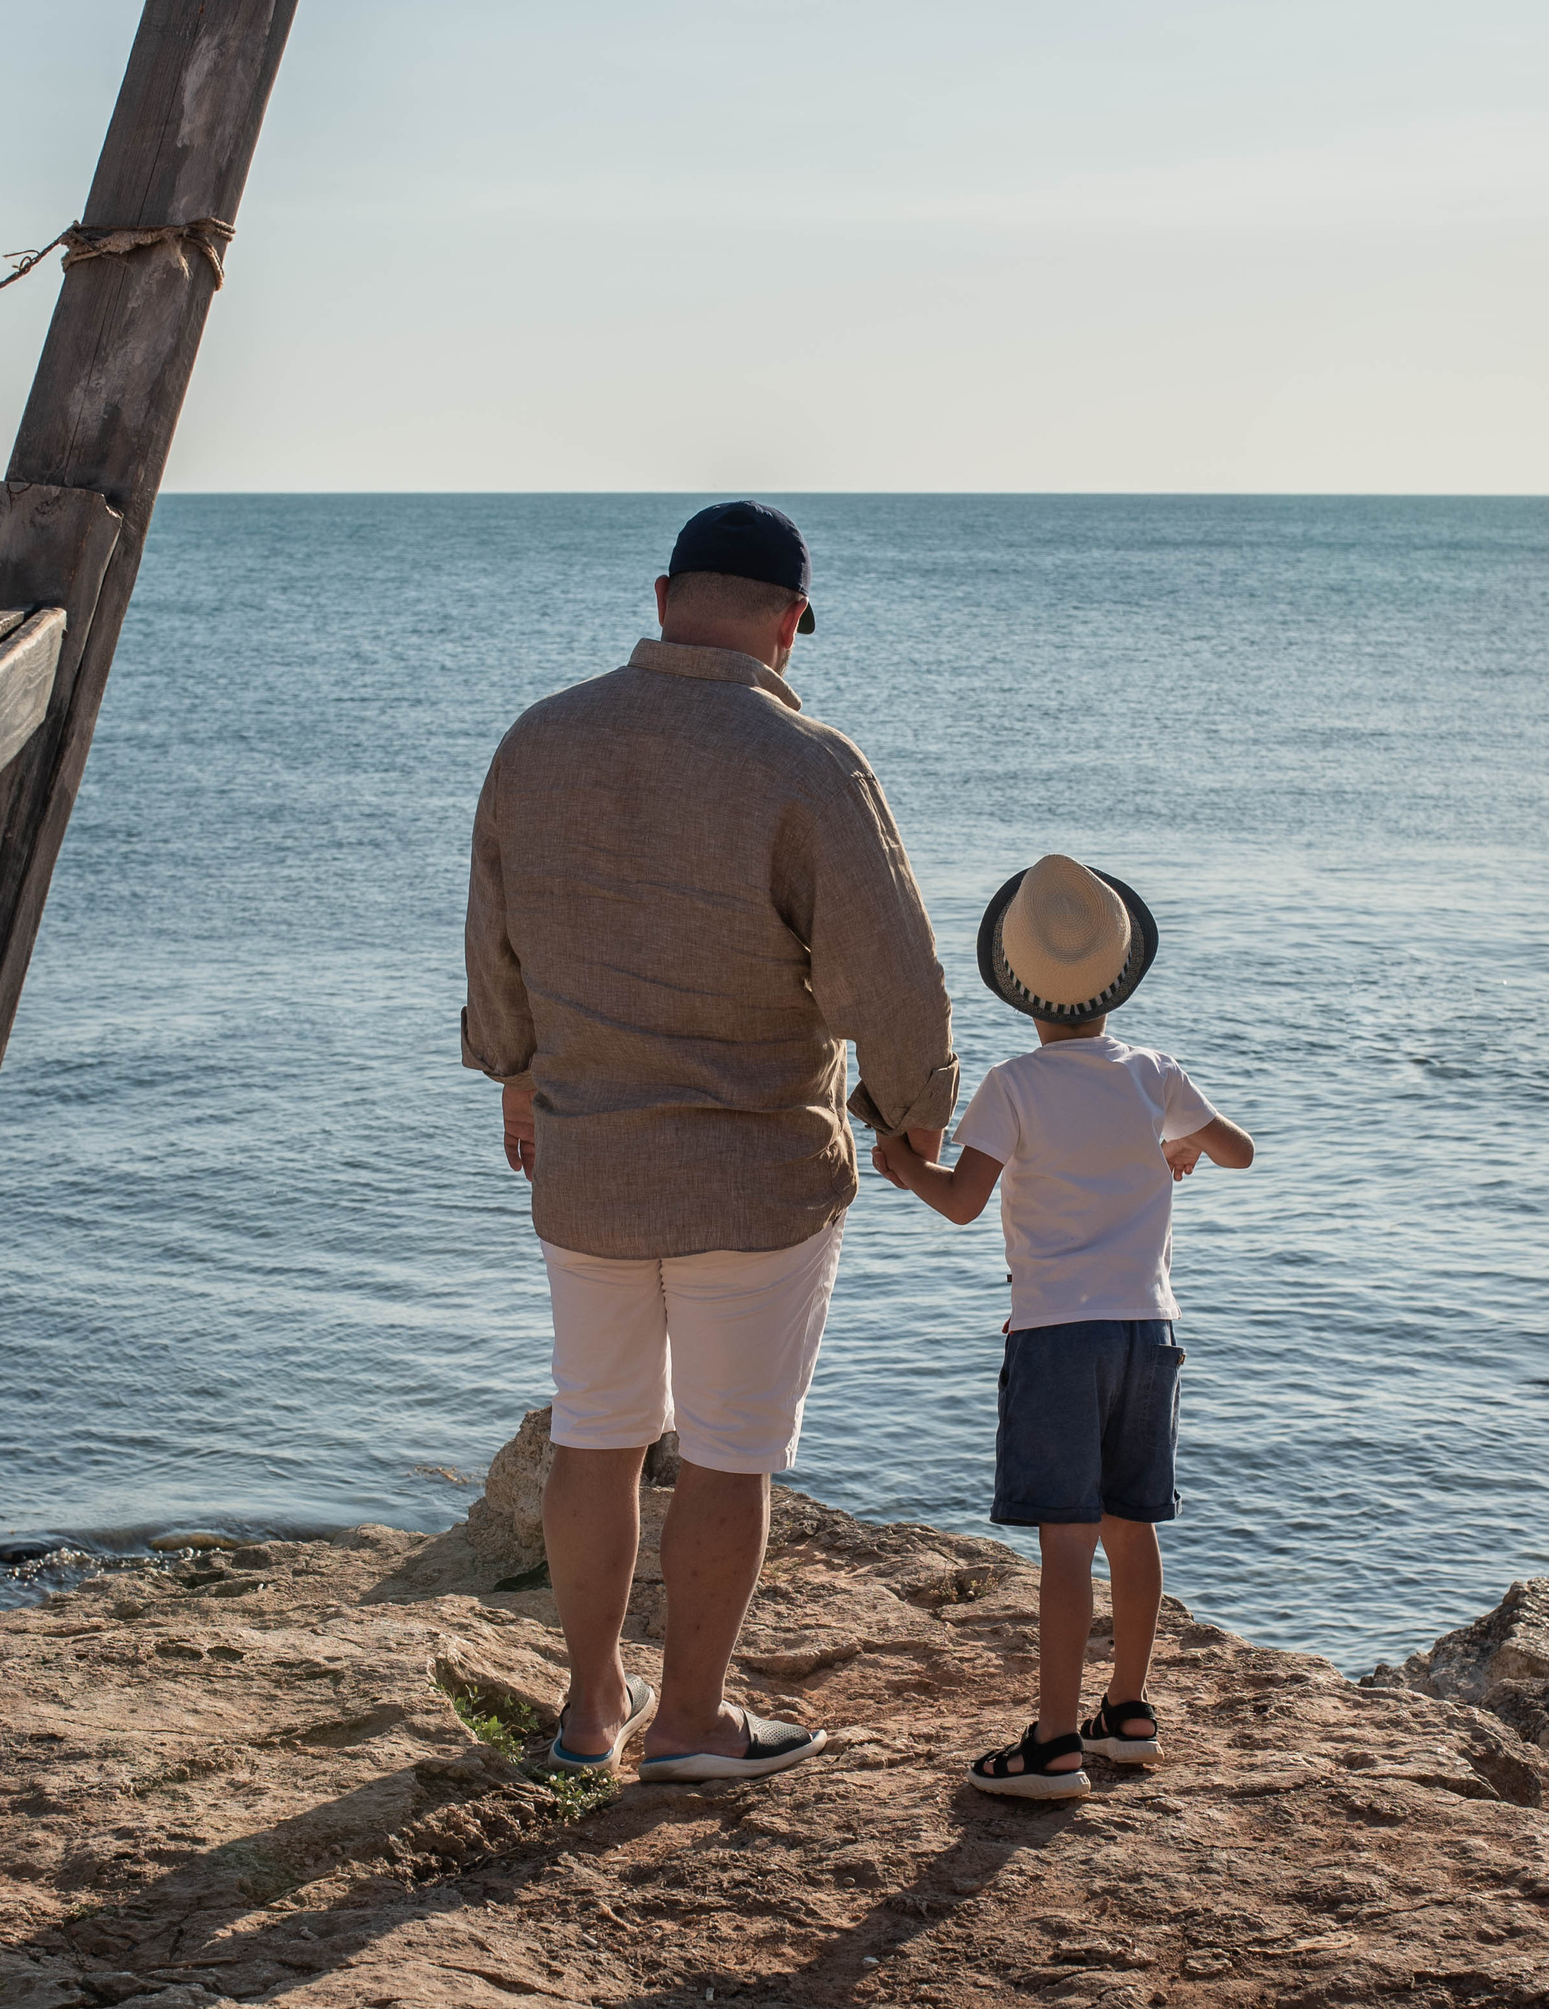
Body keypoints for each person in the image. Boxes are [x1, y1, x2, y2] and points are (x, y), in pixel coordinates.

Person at [463, 500, 958, 1784]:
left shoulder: (538, 738)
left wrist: (515, 1070)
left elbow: (492, 937)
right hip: (755, 1170)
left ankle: (589, 1709)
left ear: (664, 594)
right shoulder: (808, 762)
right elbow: (891, 972)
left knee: (596, 1428)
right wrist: (915, 1107)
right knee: (729, 1454)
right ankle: (689, 1719)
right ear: (790, 622)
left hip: (587, 1157)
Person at [871, 855, 1254, 1801]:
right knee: (1132, 1524)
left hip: (1055, 1337)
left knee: (1066, 1542)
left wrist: (900, 1167)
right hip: (1148, 1334)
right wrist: (1178, 1142)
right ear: (1120, 975)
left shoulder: (1012, 1084)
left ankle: (1052, 1746)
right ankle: (1128, 1711)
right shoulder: (1154, 1072)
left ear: (1016, 984)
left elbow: (963, 1202)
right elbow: (1238, 1152)